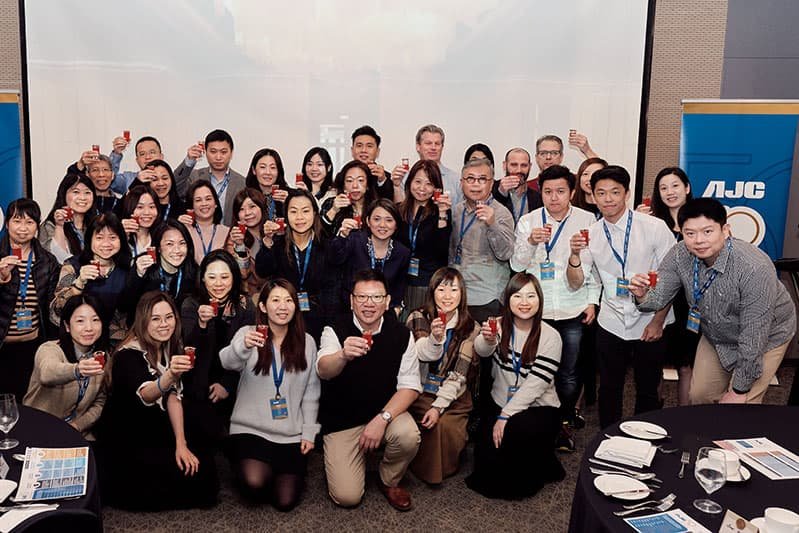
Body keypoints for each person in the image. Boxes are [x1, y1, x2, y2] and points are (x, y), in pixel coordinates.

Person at [630, 198, 796, 405]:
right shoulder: (680, 254)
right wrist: (641, 294)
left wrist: (738, 390)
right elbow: (657, 299)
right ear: (681, 233)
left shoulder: (754, 268)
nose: (699, 240)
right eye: (690, 233)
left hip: (767, 336)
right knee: (700, 396)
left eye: (707, 231)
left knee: (743, 405)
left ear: (725, 230)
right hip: (717, 333)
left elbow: (754, 336)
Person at [566, 165, 675, 428]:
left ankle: (644, 438)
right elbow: (576, 282)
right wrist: (573, 256)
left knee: (648, 387)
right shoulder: (590, 233)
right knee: (609, 387)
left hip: (650, 318)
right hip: (611, 320)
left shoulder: (654, 227)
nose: (608, 199)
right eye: (601, 193)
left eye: (615, 192)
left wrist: (658, 322)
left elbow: (672, 277)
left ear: (626, 193)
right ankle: (609, 438)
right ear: (592, 196)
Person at [97, 291, 218, 510]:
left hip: (153, 423)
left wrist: (181, 443)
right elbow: (147, 393)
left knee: (203, 466)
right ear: (143, 321)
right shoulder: (128, 354)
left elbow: (173, 396)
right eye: (155, 319)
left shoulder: (168, 346)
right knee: (189, 485)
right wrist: (170, 374)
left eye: (169, 317)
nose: (164, 324)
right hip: (127, 436)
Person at [510, 164, 600, 450]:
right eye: (547, 191)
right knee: (532, 368)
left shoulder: (588, 220)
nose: (554, 197)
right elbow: (516, 265)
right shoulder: (528, 221)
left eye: (560, 191)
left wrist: (592, 300)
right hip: (535, 311)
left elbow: (595, 267)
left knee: (569, 372)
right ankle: (534, 417)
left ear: (572, 192)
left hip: (572, 309)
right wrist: (529, 242)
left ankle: (562, 422)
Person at [316, 270, 421, 511]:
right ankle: (349, 459)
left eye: (376, 298)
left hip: (383, 415)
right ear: (352, 301)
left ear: (387, 302)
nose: (369, 304)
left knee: (408, 434)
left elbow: (410, 386)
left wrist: (382, 419)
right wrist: (342, 355)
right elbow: (323, 370)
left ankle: (388, 479)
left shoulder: (402, 335)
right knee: (347, 497)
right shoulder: (335, 329)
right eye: (362, 297)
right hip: (343, 421)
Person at [220, 279, 320, 510]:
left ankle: (276, 468)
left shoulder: (307, 342)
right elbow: (227, 362)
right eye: (275, 300)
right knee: (255, 484)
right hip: (250, 429)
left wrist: (309, 432)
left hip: (289, 433)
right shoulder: (248, 333)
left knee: (285, 502)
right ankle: (245, 461)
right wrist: (243, 346)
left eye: (288, 300)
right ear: (263, 306)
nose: (282, 306)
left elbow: (312, 390)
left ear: (296, 306)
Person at [466, 272, 565, 499]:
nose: (524, 302)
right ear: (508, 299)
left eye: (531, 296)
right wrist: (488, 339)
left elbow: (535, 386)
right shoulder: (498, 325)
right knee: (486, 455)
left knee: (515, 435)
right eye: (517, 296)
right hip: (500, 399)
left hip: (538, 406)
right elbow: (481, 351)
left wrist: (505, 416)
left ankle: (542, 460)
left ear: (540, 301)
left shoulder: (551, 336)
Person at [406, 267, 478, 485]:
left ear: (462, 294)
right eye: (442, 289)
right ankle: (426, 469)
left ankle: (446, 464)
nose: (447, 296)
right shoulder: (418, 316)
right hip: (421, 389)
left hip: (454, 393)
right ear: (432, 291)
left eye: (454, 290)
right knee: (433, 424)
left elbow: (459, 375)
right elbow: (420, 352)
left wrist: (439, 407)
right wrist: (435, 339)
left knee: (445, 424)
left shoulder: (471, 327)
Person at [637, 167, 698, 406]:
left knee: (686, 365)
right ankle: (656, 413)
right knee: (655, 364)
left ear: (687, 188)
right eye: (663, 188)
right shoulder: (652, 223)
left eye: (675, 185)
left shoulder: (699, 222)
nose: (670, 192)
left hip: (690, 303)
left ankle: (684, 416)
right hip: (658, 300)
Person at [180, 250, 253, 445]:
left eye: (224, 277)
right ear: (203, 278)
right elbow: (191, 351)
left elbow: (249, 353)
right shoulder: (191, 304)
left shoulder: (244, 305)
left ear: (234, 277)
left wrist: (227, 384)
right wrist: (203, 324)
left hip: (235, 378)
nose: (218, 283)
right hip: (199, 378)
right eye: (212, 277)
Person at [254, 190, 347, 341]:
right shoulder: (278, 244)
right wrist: (267, 241)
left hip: (320, 319)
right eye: (293, 211)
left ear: (315, 213)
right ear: (286, 215)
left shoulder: (327, 244)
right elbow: (263, 271)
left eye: (305, 211)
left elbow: (333, 289)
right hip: (283, 317)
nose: (299, 217)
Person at [24, 294, 107, 440]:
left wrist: (77, 426)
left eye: (95, 320)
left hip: (77, 432)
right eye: (80, 321)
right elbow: (47, 373)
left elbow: (100, 402)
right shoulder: (50, 349)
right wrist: (77, 370)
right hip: (38, 430)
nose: (89, 328)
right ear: (67, 326)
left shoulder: (102, 357)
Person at [0, 199, 59, 401]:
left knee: (30, 406)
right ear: (7, 224)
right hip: (2, 348)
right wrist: (1, 279)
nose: (23, 229)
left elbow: (51, 306)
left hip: (33, 348)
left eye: (30, 222)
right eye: (17, 221)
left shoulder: (47, 261)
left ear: (37, 226)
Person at [449, 158, 514, 323]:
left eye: (482, 179)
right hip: (458, 294)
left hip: (487, 297)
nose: (476, 184)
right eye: (470, 179)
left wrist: (492, 224)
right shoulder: (456, 211)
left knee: (485, 347)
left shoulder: (501, 212)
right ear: (461, 183)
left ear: (491, 183)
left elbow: (506, 253)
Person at [51, 213, 131, 344]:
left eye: (112, 237)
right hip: (78, 340)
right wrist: (79, 282)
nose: (106, 243)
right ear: (89, 240)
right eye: (99, 238)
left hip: (116, 342)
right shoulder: (72, 266)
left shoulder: (127, 268)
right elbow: (57, 309)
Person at [395, 160, 452, 316]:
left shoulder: (441, 212)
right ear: (410, 181)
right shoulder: (400, 210)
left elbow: (442, 251)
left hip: (427, 283)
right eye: (418, 181)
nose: (422, 188)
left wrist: (442, 214)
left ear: (436, 188)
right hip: (401, 280)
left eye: (428, 184)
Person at [338, 198, 411, 314]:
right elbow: (334, 258)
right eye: (377, 219)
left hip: (384, 313)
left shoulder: (402, 253)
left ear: (396, 224)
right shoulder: (355, 241)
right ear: (368, 221)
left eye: (389, 220)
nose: (382, 225)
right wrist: (342, 236)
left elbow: (398, 290)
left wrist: (394, 312)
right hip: (350, 309)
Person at [175, 129, 246, 225]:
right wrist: (189, 161)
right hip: (198, 235)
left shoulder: (242, 183)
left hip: (230, 236)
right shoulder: (195, 177)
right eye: (213, 151)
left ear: (231, 153)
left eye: (223, 152)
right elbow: (175, 188)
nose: (218, 157)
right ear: (205, 151)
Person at [125, 219, 197, 312]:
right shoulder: (145, 266)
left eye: (182, 243)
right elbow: (125, 306)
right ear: (158, 248)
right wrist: (138, 275)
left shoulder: (192, 271)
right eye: (169, 244)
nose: (177, 250)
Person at [39, 174, 97, 264]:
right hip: (66, 277)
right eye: (76, 192)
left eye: (87, 192)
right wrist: (59, 226)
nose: (82, 198)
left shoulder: (97, 224)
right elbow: (58, 258)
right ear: (64, 194)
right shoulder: (50, 226)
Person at [225, 188, 267, 298]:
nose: (247, 213)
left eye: (252, 206)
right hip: (249, 298)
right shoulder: (233, 238)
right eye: (241, 209)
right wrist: (240, 246)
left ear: (262, 207)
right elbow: (242, 273)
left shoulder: (272, 233)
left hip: (274, 295)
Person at [320, 160, 378, 237]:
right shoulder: (331, 203)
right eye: (349, 181)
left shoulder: (377, 206)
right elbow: (319, 236)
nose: (355, 186)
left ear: (367, 185)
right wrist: (333, 210)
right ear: (343, 185)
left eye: (360, 180)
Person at [178, 180, 231, 266]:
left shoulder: (227, 232)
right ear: (192, 206)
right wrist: (177, 226)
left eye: (208, 199)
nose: (204, 204)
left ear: (216, 203)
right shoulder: (184, 231)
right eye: (198, 200)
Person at [351, 125, 404, 202]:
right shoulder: (343, 176)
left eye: (369, 146)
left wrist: (382, 181)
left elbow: (392, 206)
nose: (363, 150)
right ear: (352, 150)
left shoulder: (388, 179)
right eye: (359, 146)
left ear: (377, 152)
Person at [492, 148, 542, 226]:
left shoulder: (537, 197)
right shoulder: (491, 190)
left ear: (530, 166)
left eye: (524, 165)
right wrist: (501, 194)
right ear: (505, 165)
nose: (519, 170)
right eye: (514, 165)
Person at [118, 183, 161, 260]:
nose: (147, 212)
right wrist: (122, 237)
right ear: (130, 209)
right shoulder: (119, 235)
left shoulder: (162, 236)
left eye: (152, 207)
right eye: (140, 207)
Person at [245, 148, 288, 221]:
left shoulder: (288, 195)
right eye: (262, 167)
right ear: (254, 170)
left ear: (278, 171)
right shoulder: (246, 196)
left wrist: (290, 203)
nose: (268, 172)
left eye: (273, 167)